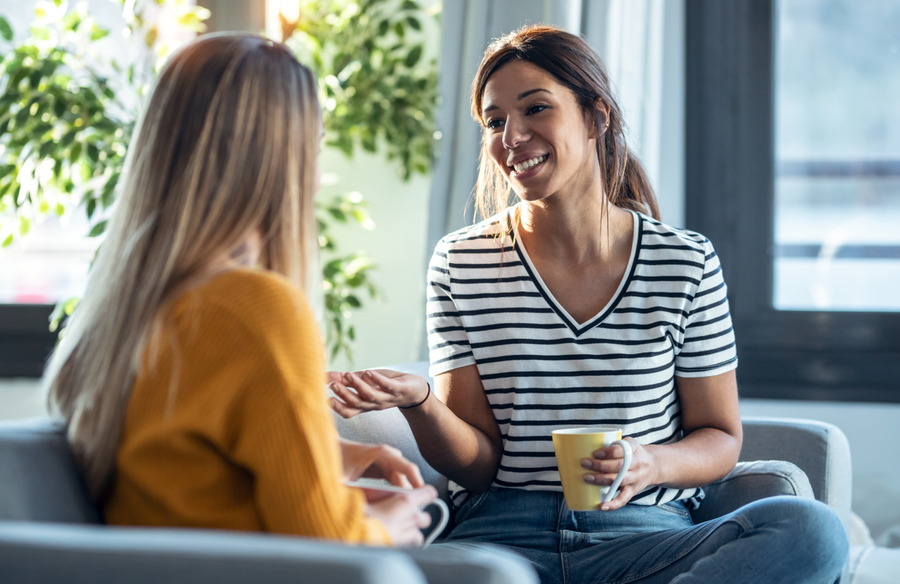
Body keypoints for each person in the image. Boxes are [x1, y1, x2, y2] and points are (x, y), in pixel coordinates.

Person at [329, 25, 849, 583]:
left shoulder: (686, 261)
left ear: (596, 116)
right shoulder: (461, 262)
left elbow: (721, 437)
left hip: (645, 538)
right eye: (495, 121)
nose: (512, 136)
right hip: (502, 542)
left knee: (811, 531)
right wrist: (422, 401)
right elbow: (478, 467)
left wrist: (652, 462)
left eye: (535, 109)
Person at [41, 33, 437, 547]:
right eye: (312, 151)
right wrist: (387, 527)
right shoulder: (256, 309)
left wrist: (333, 456)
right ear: (281, 165)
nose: (317, 178)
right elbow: (328, 546)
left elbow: (188, 467)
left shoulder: (130, 309)